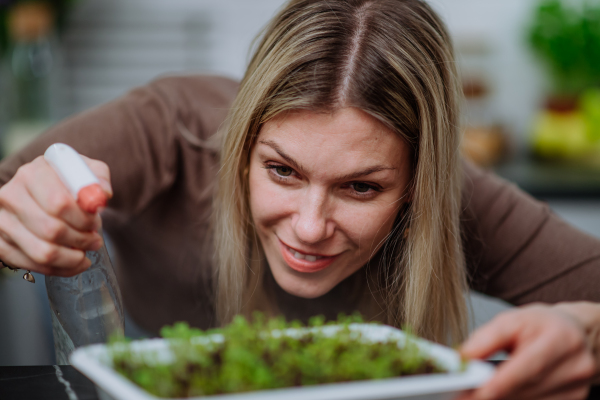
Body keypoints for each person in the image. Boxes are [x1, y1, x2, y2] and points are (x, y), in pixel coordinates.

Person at [0, 0, 599, 398]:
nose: (310, 229)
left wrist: (583, 327)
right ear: (242, 146)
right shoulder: (171, 126)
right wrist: (15, 228)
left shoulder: (460, 197)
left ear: (419, 184)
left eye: (361, 187)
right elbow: (14, 197)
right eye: (282, 171)